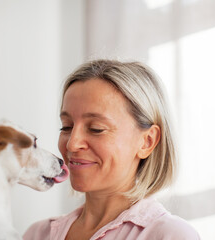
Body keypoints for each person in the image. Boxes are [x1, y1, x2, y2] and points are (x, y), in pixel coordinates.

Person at [23, 59, 200, 240]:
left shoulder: (170, 235)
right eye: (66, 127)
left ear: (147, 141)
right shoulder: (37, 234)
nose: (72, 144)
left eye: (96, 129)